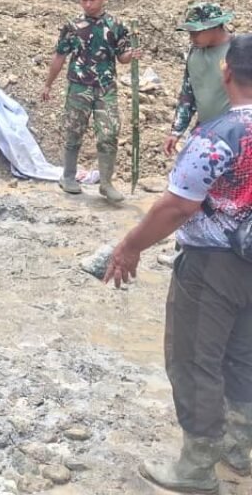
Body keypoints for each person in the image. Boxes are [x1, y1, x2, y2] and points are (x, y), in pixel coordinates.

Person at [105, 33, 252, 493]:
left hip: (213, 266)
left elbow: (176, 208)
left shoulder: (218, 136)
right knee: (242, 355)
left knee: (194, 360)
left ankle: (196, 468)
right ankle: (239, 446)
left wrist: (130, 246)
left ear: (226, 72)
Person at [41, 0, 140, 202]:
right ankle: (68, 177)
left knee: (109, 133)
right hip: (79, 86)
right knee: (73, 131)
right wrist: (48, 84)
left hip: (106, 88)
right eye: (83, 0)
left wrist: (131, 54)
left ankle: (106, 183)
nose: (87, 4)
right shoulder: (72, 26)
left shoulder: (116, 25)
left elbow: (122, 57)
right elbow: (60, 55)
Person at [163, 2, 232, 156]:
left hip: (236, 134)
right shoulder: (194, 53)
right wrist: (176, 132)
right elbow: (188, 95)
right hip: (206, 130)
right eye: (190, 32)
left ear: (214, 26)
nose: (191, 38)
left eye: (196, 32)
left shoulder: (240, 50)